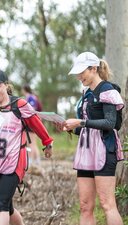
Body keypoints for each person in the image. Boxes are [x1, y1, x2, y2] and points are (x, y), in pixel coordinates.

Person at [0, 69, 53, 225]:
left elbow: (37, 125)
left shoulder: (19, 105)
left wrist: (47, 143)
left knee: (1, 206)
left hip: (14, 163)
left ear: (6, 86)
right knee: (8, 207)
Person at [62, 52, 124, 225]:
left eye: (82, 71)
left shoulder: (107, 90)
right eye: (77, 72)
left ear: (94, 68)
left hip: (105, 149)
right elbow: (86, 128)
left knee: (107, 204)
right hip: (86, 152)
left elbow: (110, 123)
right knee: (85, 205)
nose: (79, 76)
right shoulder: (86, 94)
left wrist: (80, 122)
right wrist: (69, 127)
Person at [21, 84, 42, 166]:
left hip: (31, 123)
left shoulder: (30, 97)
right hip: (32, 122)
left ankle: (30, 161)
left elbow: (32, 109)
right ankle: (37, 161)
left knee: (31, 143)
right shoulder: (32, 97)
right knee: (33, 143)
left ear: (24, 89)